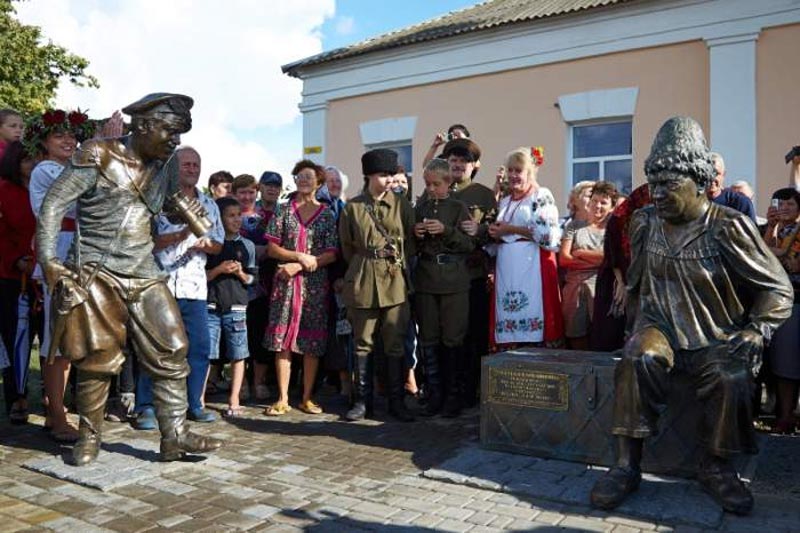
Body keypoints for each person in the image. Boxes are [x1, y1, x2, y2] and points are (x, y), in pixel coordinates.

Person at [590, 116, 793, 515]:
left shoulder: (728, 227)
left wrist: (757, 330)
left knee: (730, 376)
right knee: (637, 357)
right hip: (661, 328)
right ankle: (626, 465)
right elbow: (637, 284)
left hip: (716, 336)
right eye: (654, 183)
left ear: (700, 183)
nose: (658, 193)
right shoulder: (646, 221)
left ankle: (716, 466)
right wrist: (635, 327)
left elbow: (777, 289)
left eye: (670, 184)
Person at [36, 92, 223, 465]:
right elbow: (54, 203)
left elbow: (164, 199)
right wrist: (50, 259)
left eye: (179, 134)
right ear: (144, 125)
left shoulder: (164, 161)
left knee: (172, 346)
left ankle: (175, 435)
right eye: (170, 132)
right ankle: (88, 439)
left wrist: (186, 209)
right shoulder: (98, 154)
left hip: (145, 270)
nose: (175, 142)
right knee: (97, 358)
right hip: (97, 271)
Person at [139, 146, 223, 427]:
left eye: (196, 164)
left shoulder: (209, 203)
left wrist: (206, 244)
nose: (192, 168)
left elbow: (219, 242)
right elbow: (145, 240)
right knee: (157, 348)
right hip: (159, 285)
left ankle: (193, 405)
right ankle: (146, 406)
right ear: (174, 168)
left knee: (198, 348)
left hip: (195, 287)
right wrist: (182, 233)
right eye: (186, 164)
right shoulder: (156, 198)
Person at [27, 109, 96, 441]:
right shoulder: (46, 169)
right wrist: (100, 145)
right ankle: (56, 413)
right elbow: (70, 202)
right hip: (58, 256)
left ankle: (58, 409)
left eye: (73, 136)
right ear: (45, 142)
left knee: (68, 342)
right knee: (56, 340)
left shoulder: (75, 167)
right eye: (59, 136)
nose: (69, 140)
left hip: (77, 256)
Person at [339, 148, 416, 422]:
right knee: (362, 344)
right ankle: (361, 402)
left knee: (395, 344)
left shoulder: (401, 204)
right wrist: (365, 265)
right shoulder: (353, 207)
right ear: (369, 176)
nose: (389, 181)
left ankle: (396, 401)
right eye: (383, 175)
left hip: (394, 281)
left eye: (391, 175)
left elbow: (410, 240)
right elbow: (347, 247)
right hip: (363, 280)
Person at [262, 160, 337, 416]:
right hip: (285, 285)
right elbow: (272, 248)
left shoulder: (326, 214)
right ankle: (282, 398)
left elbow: (331, 253)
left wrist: (304, 265)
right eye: (298, 176)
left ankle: (307, 397)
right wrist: (297, 256)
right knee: (283, 342)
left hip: (314, 286)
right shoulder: (283, 211)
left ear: (318, 181)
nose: (303, 180)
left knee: (310, 342)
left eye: (308, 176)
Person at [412, 158, 474, 416]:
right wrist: (415, 233)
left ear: (448, 182)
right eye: (427, 184)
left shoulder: (459, 207)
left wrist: (446, 230)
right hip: (426, 280)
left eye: (436, 184)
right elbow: (410, 246)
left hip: (454, 282)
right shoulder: (421, 207)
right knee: (428, 338)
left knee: (453, 339)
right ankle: (434, 393)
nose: (430, 189)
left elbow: (470, 245)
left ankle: (452, 395)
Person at [487, 147, 562, 348]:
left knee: (533, 311)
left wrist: (510, 229)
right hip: (507, 267)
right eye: (510, 170)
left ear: (529, 173)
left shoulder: (540, 195)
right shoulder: (504, 201)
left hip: (532, 266)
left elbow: (548, 237)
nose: (513, 175)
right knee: (509, 315)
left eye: (518, 171)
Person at [443, 137, 496, 407]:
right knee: (444, 337)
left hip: (471, 274)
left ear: (474, 165)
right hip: (440, 277)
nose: (458, 165)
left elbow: (495, 229)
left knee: (472, 336)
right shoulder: (437, 190)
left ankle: (469, 391)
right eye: (453, 160)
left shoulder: (483, 194)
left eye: (464, 161)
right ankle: (445, 389)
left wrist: (483, 232)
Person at [206, 197, 257, 418]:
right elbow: (201, 276)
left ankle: (234, 399)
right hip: (211, 305)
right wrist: (219, 270)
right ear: (220, 217)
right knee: (206, 353)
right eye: (231, 215)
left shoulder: (247, 246)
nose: (237, 220)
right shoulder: (210, 244)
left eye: (239, 215)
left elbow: (253, 279)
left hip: (237, 306)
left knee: (239, 353)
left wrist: (239, 273)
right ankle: (199, 399)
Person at [0, 141, 38, 425]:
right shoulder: (4, 191)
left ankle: (53, 396)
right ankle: (16, 397)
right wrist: (16, 259)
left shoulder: (45, 190)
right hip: (14, 277)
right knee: (16, 337)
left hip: (45, 274)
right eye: (27, 160)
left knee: (49, 336)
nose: (33, 164)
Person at [589, 184, 651, 352]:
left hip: (643, 281)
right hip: (615, 280)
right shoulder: (619, 218)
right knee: (611, 329)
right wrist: (622, 284)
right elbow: (612, 254)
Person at [237, 172, 281, 402]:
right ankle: (241, 381)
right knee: (237, 335)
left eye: (250, 192)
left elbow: (270, 247)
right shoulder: (229, 215)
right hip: (234, 285)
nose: (247, 196)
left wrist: (247, 252)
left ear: (257, 193)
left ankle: (259, 381)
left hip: (263, 285)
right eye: (242, 192)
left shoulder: (266, 217)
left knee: (259, 333)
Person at [559, 181, 618, 350]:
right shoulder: (574, 226)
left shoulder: (613, 230)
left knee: (602, 337)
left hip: (602, 289)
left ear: (612, 207)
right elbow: (564, 259)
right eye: (594, 200)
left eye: (603, 202)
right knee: (576, 337)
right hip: (574, 290)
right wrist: (599, 261)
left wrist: (580, 253)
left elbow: (611, 260)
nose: (597, 206)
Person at [762, 187, 800, 434]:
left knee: (791, 362)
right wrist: (771, 230)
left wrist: (778, 253)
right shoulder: (774, 229)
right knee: (782, 363)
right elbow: (760, 257)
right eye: (781, 204)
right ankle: (784, 415)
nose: (784, 208)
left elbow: (795, 264)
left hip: (796, 301)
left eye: (790, 204)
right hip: (777, 302)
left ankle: (790, 414)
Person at [707, 152, 756, 221]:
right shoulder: (691, 205)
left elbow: (750, 231)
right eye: (707, 173)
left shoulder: (740, 203)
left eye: (716, 173)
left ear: (723, 175)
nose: (712, 178)